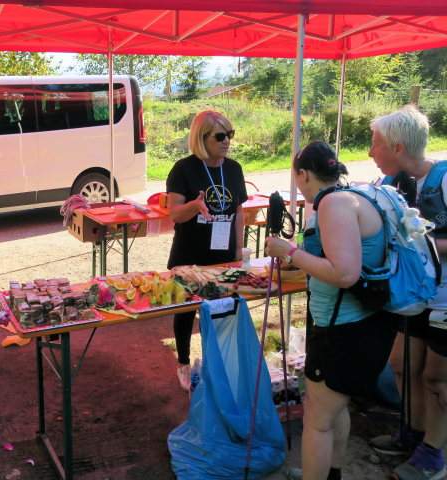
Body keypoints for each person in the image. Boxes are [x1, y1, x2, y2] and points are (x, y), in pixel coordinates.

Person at [265, 141, 399, 480]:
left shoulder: (333, 204)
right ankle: (331, 473)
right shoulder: (353, 195)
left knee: (317, 421)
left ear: (303, 174)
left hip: (343, 330)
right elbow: (343, 258)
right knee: (335, 407)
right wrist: (301, 259)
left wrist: (289, 252)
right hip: (362, 322)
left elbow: (344, 273)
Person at [367, 105, 447, 480]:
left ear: (398, 148)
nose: (370, 151)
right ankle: (414, 434)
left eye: (375, 143)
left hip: (445, 302)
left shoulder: (444, 179)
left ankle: (433, 455)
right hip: (414, 297)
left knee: (436, 378)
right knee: (401, 364)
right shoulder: (391, 184)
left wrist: (421, 243)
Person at [165, 110, 247, 391]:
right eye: (220, 136)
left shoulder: (233, 168)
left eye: (230, 134)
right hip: (189, 254)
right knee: (186, 310)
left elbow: (238, 211)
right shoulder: (184, 169)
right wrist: (194, 206)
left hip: (222, 255)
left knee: (222, 309)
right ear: (202, 138)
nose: (227, 141)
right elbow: (174, 213)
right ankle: (183, 363)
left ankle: (217, 362)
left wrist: (239, 250)